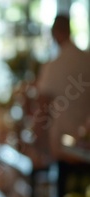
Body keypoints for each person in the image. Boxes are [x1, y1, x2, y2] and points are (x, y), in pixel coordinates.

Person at [35, 14, 90, 162]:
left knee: (64, 180)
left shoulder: (54, 65)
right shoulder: (86, 59)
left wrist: (39, 139)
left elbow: (42, 106)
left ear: (54, 33)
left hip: (62, 142)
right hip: (85, 138)